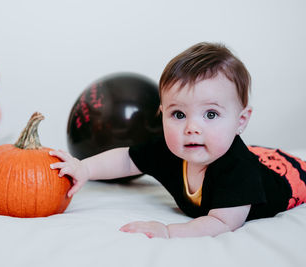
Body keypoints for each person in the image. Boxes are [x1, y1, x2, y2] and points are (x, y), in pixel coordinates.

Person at [49, 42, 306, 238]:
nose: (192, 128)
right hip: (254, 157)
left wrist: (169, 231)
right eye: (179, 114)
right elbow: (127, 159)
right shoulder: (170, 150)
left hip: (288, 178)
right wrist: (85, 168)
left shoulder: (238, 169)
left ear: (241, 120)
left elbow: (222, 222)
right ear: (162, 114)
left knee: (279, 164)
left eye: (211, 114)